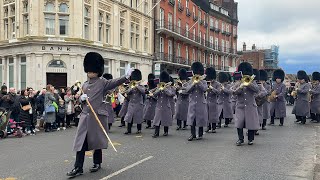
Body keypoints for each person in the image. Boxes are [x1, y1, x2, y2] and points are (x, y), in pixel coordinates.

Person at [67, 52, 132, 177]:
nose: (90, 73)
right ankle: (78, 167)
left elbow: (115, 82)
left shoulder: (103, 82)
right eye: (89, 71)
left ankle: (97, 162)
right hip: (85, 118)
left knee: (96, 142)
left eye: (92, 70)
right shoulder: (84, 85)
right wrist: (81, 99)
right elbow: (81, 104)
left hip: (97, 117)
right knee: (80, 142)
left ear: (97, 70)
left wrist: (126, 77)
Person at [232, 62, 260, 146]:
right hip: (240, 105)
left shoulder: (252, 81)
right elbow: (234, 92)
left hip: (250, 105)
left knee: (250, 123)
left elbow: (256, 89)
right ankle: (240, 139)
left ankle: (250, 139)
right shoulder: (238, 82)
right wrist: (241, 86)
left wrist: (248, 84)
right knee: (239, 123)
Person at [185, 62, 208, 141]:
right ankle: (193, 134)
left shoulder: (204, 82)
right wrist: (193, 84)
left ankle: (200, 134)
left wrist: (199, 82)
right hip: (192, 102)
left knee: (200, 119)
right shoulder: (190, 81)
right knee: (192, 119)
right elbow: (187, 90)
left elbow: (204, 89)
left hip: (201, 102)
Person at [151, 71, 175, 138]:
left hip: (166, 106)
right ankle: (156, 133)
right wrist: (159, 89)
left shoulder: (169, 88)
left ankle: (166, 131)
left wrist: (164, 89)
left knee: (165, 119)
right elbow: (154, 94)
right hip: (159, 106)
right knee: (157, 119)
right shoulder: (159, 87)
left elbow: (170, 94)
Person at [124, 69, 145, 135]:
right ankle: (128, 130)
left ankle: (139, 129)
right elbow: (127, 92)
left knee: (139, 117)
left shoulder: (141, 86)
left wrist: (137, 86)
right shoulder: (130, 86)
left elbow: (143, 92)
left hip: (138, 104)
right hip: (131, 104)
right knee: (129, 117)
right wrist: (132, 87)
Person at [205, 67, 220, 133]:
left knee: (213, 115)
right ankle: (208, 127)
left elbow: (218, 92)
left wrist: (212, 88)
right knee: (207, 115)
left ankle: (213, 128)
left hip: (214, 101)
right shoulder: (206, 82)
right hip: (207, 100)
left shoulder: (217, 84)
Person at [253, 69, 267, 135]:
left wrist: (258, 96)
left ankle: (256, 128)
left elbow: (264, 92)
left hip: (258, 103)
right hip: (251, 103)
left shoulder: (259, 85)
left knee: (258, 116)